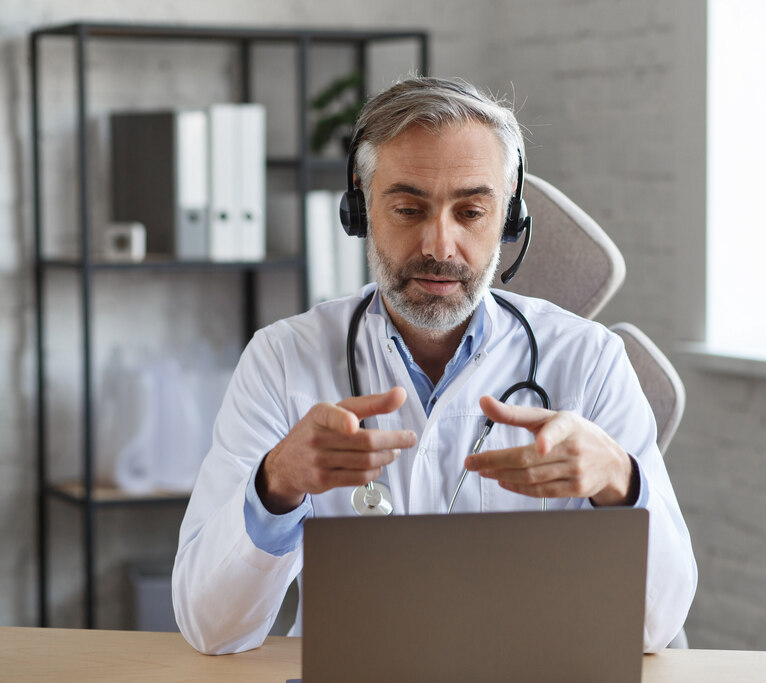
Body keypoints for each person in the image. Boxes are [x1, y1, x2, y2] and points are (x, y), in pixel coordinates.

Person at [172, 76, 697, 655]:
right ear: (360, 208)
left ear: (510, 219)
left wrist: (618, 481)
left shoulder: (590, 360)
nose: (440, 246)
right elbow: (209, 628)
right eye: (407, 208)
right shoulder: (282, 359)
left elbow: (656, 627)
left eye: (471, 211)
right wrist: (276, 484)